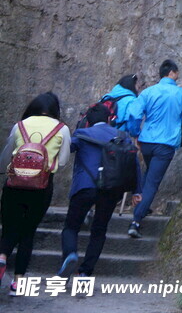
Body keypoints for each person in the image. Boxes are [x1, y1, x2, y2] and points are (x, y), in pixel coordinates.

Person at [58, 104, 143, 278]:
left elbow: (66, 149)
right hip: (111, 189)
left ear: (88, 120)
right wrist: (137, 191)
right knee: (99, 230)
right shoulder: (122, 136)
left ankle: (70, 254)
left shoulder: (82, 134)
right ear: (109, 118)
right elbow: (133, 163)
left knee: (71, 227)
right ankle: (85, 272)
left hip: (85, 186)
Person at [0, 93, 71, 295]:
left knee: (9, 228)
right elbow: (63, 161)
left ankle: (2, 257)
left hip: (14, 184)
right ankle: (17, 283)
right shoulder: (62, 129)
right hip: (42, 187)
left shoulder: (20, 126)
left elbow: (6, 155)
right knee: (28, 233)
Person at [126, 59, 182, 238]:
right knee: (152, 182)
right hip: (166, 143)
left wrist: (135, 133)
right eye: (176, 73)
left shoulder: (148, 92)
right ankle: (136, 221)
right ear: (171, 73)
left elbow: (134, 113)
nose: (177, 76)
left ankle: (143, 206)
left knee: (149, 174)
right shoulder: (181, 94)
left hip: (147, 141)